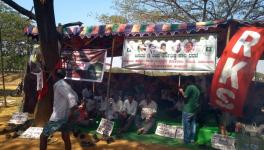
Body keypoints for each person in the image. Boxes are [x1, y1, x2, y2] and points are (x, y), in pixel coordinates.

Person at [40, 69, 78, 150]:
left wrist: (72, 111)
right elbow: (75, 96)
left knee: (43, 136)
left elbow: (72, 98)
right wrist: (69, 114)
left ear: (54, 76)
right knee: (65, 137)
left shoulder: (60, 85)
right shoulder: (66, 84)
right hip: (65, 116)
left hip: (58, 117)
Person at [179, 76, 200, 144]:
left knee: (186, 125)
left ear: (189, 80)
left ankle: (186, 140)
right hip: (194, 109)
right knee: (193, 124)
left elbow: (185, 96)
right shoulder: (197, 89)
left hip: (188, 109)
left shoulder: (190, 87)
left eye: (187, 80)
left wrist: (182, 91)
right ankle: (192, 139)